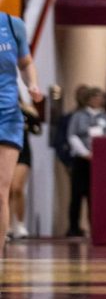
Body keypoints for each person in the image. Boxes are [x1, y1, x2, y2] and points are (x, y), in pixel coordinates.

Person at [0, 11, 43, 241]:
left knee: (1, 192)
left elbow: (25, 63)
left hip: (7, 114)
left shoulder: (12, 24)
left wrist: (32, 85)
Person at [67, 87, 106, 238]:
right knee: (77, 195)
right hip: (81, 160)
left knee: (95, 196)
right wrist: (85, 153)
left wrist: (101, 154)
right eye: (95, 97)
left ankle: (96, 228)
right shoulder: (78, 116)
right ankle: (74, 228)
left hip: (100, 162)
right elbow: (72, 136)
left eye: (101, 97)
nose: (99, 100)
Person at [9, 100, 40, 239]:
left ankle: (20, 224)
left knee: (17, 187)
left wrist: (30, 112)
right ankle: (7, 225)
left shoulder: (25, 111)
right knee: (6, 190)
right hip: (5, 151)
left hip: (22, 152)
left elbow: (37, 129)